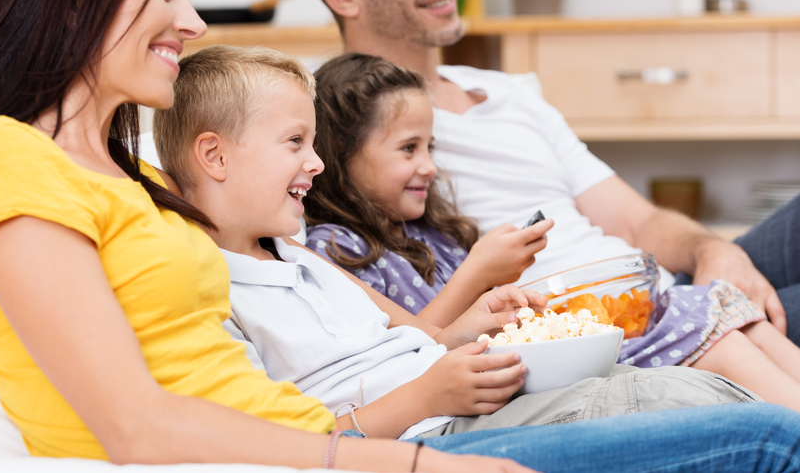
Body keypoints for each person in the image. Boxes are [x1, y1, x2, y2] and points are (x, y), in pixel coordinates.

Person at [0, 0, 800, 473]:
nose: (193, 16)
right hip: (353, 453)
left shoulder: (137, 171)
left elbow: (301, 300)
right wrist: (410, 457)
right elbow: (135, 428)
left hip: (360, 433)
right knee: (766, 437)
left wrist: (446, 337)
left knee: (736, 408)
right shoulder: (9, 163)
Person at [292, 0, 800, 348]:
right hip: (613, 331)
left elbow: (637, 222)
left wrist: (715, 251)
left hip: (662, 287)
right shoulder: (337, 125)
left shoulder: (509, 92)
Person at [151, 43, 766, 442]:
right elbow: (284, 444)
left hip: (468, 399)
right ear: (215, 155)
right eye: (294, 143)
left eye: (313, 143)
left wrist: (475, 322)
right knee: (743, 430)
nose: (315, 164)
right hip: (440, 430)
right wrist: (432, 390)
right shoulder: (207, 284)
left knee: (726, 402)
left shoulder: (301, 255)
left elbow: (422, 339)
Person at [301, 51, 800, 413]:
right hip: (524, 373)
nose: (429, 167)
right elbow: (414, 348)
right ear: (341, 154)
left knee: (723, 306)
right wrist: (478, 274)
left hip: (588, 318)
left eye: (430, 147)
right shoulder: (334, 251)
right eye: (409, 149)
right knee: (702, 320)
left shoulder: (430, 231)